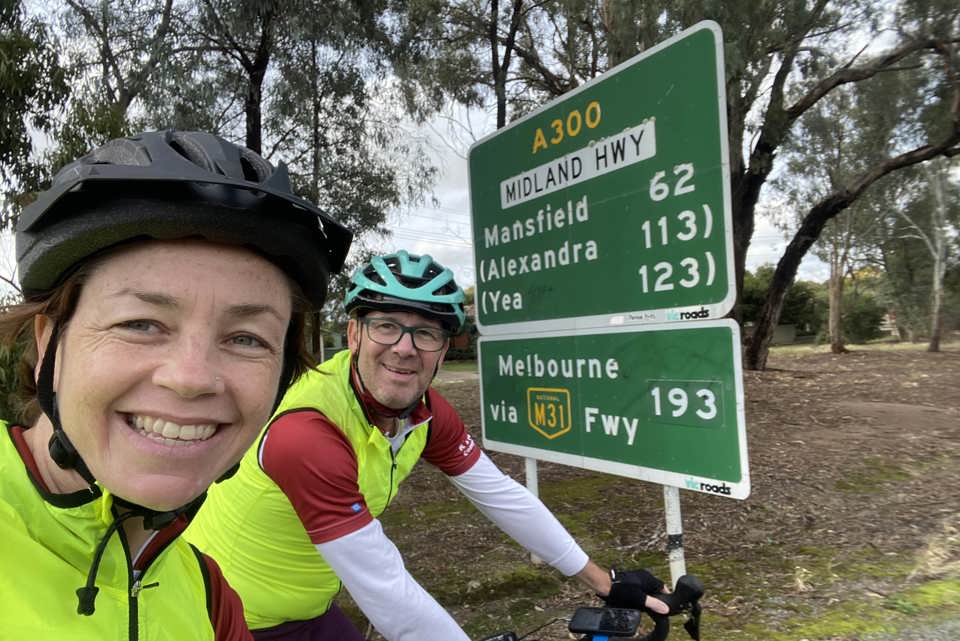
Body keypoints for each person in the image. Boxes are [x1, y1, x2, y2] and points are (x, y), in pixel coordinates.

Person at [185, 250, 669, 641]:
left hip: (306, 610)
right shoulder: (307, 434)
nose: (404, 347)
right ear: (354, 333)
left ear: (444, 350)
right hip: (216, 615)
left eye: (426, 333)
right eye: (386, 325)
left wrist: (605, 583)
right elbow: (386, 589)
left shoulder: (426, 412)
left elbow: (501, 496)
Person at [0, 130, 352, 640]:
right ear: (49, 341)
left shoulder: (210, 597)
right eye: (140, 324)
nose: (190, 379)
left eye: (246, 338)